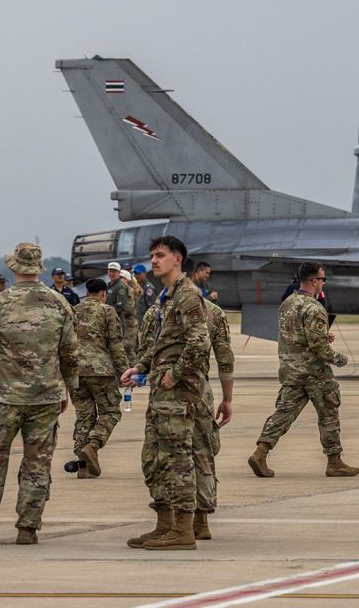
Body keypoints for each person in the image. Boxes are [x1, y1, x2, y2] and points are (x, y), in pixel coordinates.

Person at [0, 242, 78, 546]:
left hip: (4, 395)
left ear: (14, 268)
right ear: (38, 269)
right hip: (46, 396)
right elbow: (69, 352)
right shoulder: (59, 303)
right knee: (37, 465)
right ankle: (28, 527)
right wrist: (67, 387)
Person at [120, 236, 209, 551]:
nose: (154, 261)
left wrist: (174, 374)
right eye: (153, 255)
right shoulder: (166, 297)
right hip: (160, 393)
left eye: (160, 255)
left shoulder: (187, 297)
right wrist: (139, 369)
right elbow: (161, 346)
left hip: (177, 395)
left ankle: (184, 530)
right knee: (154, 460)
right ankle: (164, 525)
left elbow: (199, 343)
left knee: (176, 460)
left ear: (178, 259)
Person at [249, 262, 358, 478]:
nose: (323, 283)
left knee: (283, 413)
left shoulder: (287, 304)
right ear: (314, 281)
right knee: (329, 416)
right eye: (322, 279)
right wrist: (339, 359)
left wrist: (321, 337)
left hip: (291, 370)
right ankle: (334, 462)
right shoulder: (314, 308)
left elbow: (294, 335)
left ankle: (260, 453)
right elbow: (319, 348)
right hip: (315, 373)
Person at [66, 277, 128, 478]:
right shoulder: (107, 311)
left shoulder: (73, 311)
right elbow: (116, 344)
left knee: (84, 415)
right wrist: (124, 372)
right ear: (103, 293)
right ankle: (93, 445)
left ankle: (83, 465)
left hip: (75, 372)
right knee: (111, 411)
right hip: (100, 370)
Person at [193, 300, 234, 539]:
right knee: (203, 453)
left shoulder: (159, 308)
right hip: (200, 390)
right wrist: (227, 398)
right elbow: (225, 358)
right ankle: (201, 519)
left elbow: (145, 354)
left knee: (168, 456)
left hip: (167, 393)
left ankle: (175, 522)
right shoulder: (213, 310)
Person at [133, 263, 157, 333]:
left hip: (145, 323)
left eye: (138, 273)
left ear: (144, 274)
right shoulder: (136, 286)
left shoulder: (148, 288)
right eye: (135, 274)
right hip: (137, 322)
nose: (136, 276)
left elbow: (152, 307)